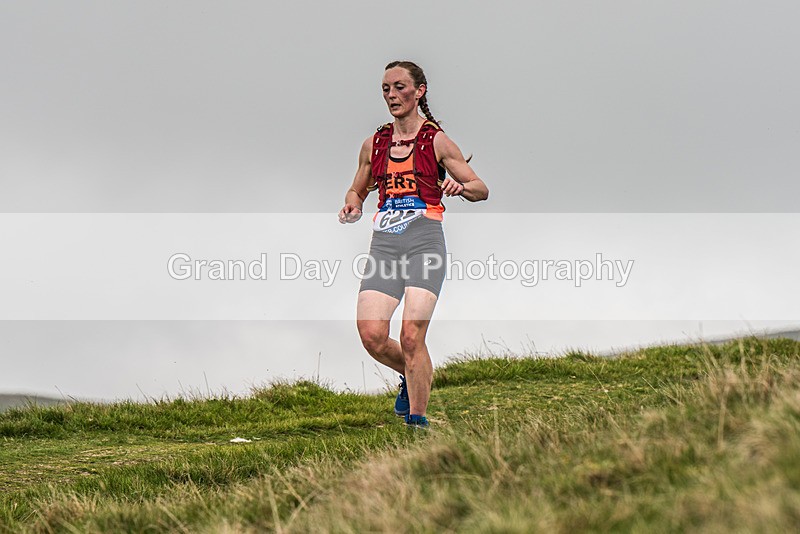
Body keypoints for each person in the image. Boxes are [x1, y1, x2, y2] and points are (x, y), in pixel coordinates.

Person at [338, 60, 488, 428]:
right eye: (386, 89)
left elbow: (481, 189)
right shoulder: (374, 144)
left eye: (399, 87)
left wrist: (460, 187)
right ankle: (410, 373)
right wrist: (353, 204)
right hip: (385, 246)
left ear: (419, 91)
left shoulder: (436, 140)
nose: (392, 95)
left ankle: (416, 424)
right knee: (372, 336)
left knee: (410, 336)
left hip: (424, 243)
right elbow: (357, 188)